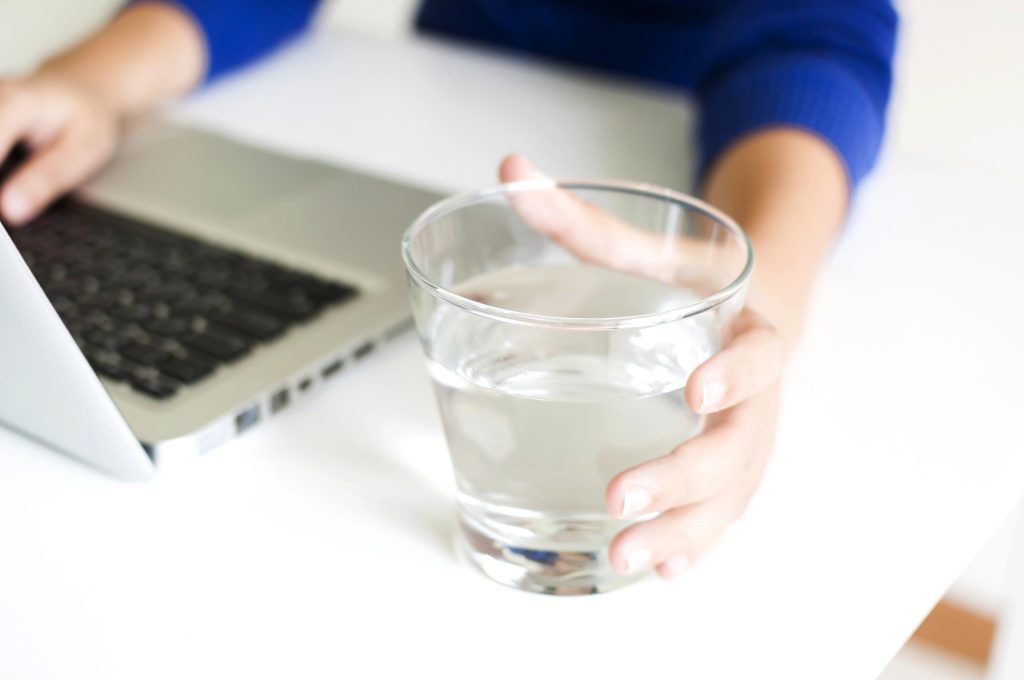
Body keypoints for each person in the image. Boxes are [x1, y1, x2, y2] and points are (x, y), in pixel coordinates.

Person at [0, 0, 897, 578]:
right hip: (446, 134)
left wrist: (764, 278)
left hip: (702, 170)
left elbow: (816, 35)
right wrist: (85, 84)